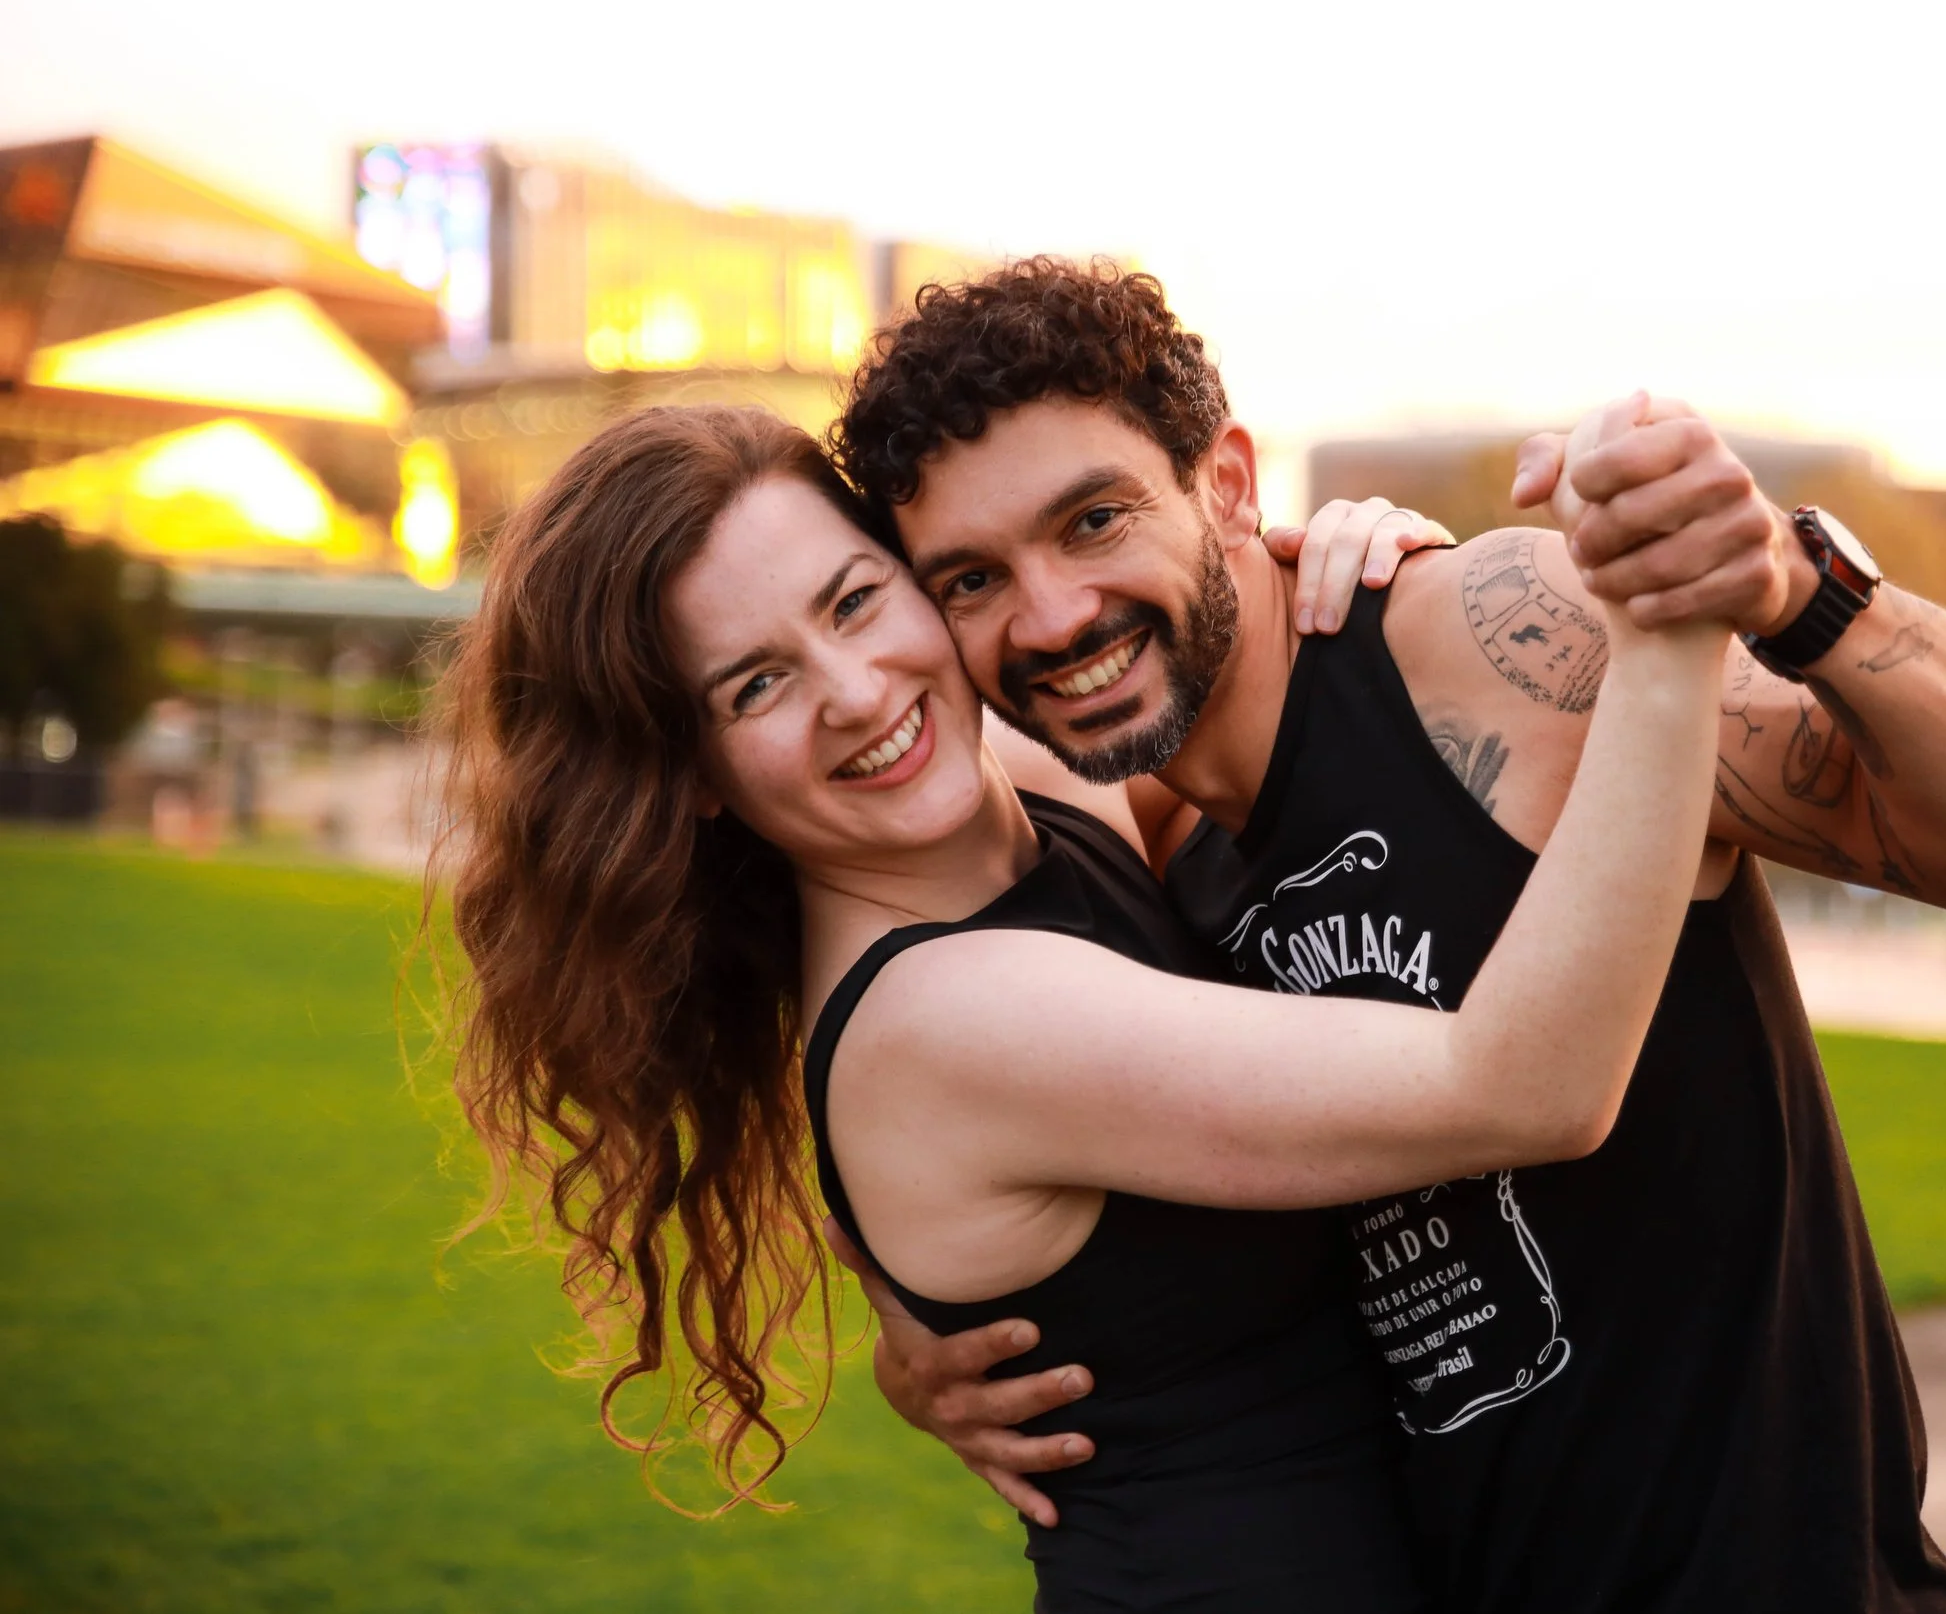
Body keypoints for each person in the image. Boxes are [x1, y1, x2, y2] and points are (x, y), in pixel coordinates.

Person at [833, 259, 1946, 1611]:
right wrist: (912, 1328)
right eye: (972, 577)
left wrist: (1793, 585)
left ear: (1225, 481)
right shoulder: (1147, 872)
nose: (1049, 616)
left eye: (1095, 518)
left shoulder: (1486, 640)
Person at [430, 399, 1734, 1613]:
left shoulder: (1020, 781)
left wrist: (1364, 570)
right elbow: (1525, 1088)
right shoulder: (943, 1023)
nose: (858, 690)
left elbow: (1220, 684)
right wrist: (1665, 638)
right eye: (753, 685)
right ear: (692, 772)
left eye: (854, 598)